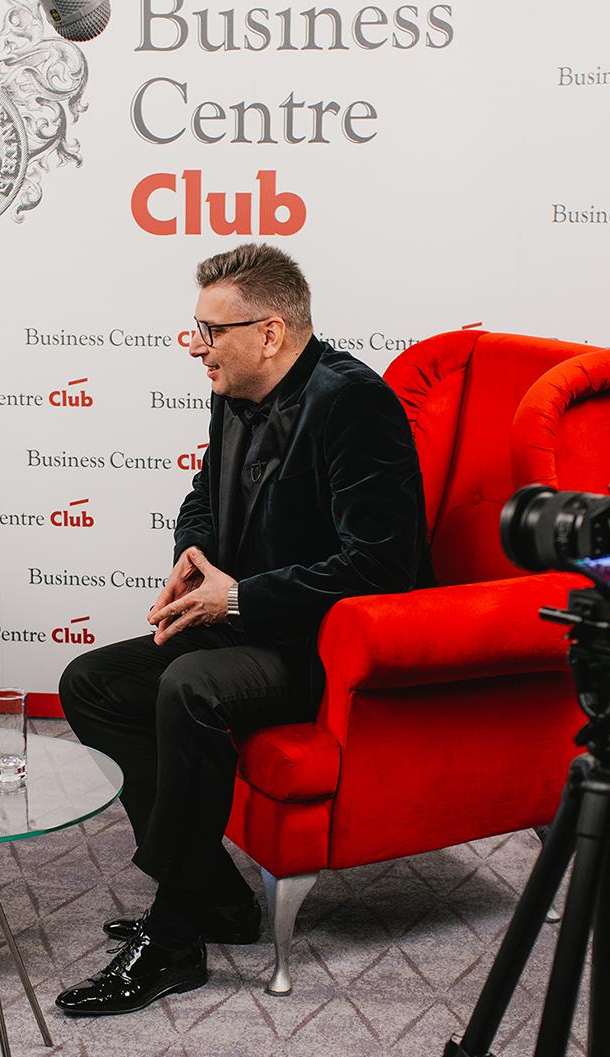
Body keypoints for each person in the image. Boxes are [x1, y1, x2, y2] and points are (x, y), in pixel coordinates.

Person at [55, 244, 431, 1016]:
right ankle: (216, 896)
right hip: (244, 620)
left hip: (320, 647)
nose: (196, 345)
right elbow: (204, 492)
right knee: (91, 683)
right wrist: (193, 558)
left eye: (210, 330)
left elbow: (382, 567)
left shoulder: (353, 402)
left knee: (190, 685)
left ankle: (175, 938)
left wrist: (237, 600)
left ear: (271, 331)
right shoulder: (235, 387)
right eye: (195, 327)